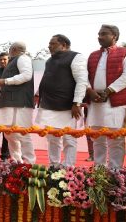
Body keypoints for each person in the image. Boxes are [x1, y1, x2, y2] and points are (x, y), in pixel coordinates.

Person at [86, 24, 126, 169]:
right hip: (95, 102)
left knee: (116, 139)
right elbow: (85, 76)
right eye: (99, 34)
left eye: (104, 34)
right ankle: (99, 169)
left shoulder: (125, 53)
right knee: (97, 138)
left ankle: (115, 171)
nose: (100, 37)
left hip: (115, 102)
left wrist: (108, 91)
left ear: (114, 36)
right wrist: (90, 91)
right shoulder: (93, 55)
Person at [35, 34, 88, 166]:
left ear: (64, 45)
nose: (49, 46)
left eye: (52, 44)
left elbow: (82, 81)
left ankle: (68, 167)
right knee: (52, 137)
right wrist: (37, 94)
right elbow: (46, 79)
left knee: (69, 138)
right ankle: (54, 165)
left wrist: (77, 103)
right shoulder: (49, 60)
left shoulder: (76, 57)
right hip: (48, 105)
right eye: (49, 44)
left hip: (68, 106)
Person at [0, 42, 36, 164]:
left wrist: (6, 81)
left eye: (10, 48)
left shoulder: (23, 58)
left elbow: (26, 75)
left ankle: (29, 162)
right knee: (9, 133)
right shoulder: (14, 60)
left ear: (14, 49)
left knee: (22, 132)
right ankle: (16, 160)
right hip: (9, 101)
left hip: (19, 102)